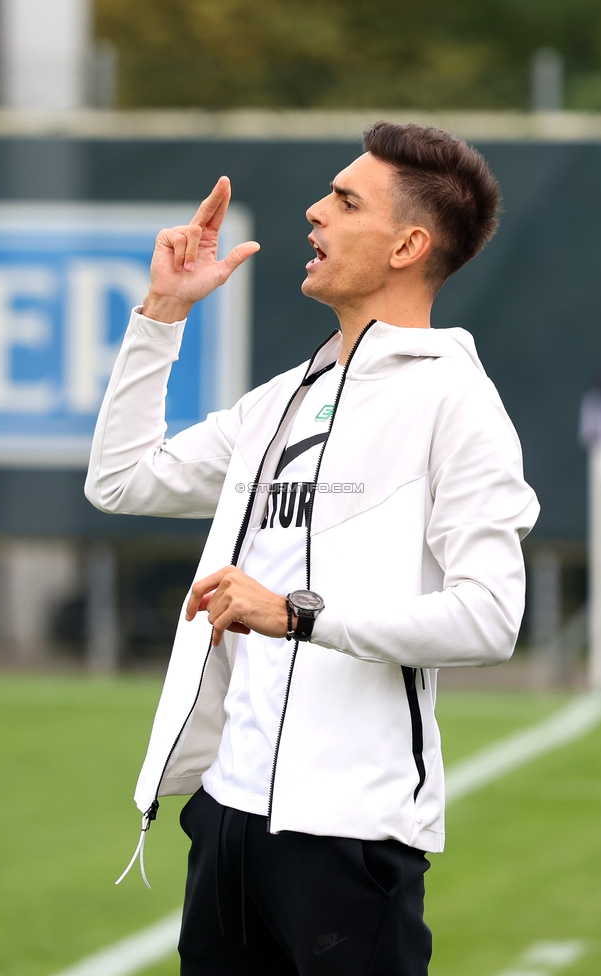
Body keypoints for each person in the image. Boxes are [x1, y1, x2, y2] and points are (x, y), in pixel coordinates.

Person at [85, 121, 539, 976]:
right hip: (226, 819)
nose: (313, 212)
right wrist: (164, 314)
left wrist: (293, 613)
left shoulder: (458, 402)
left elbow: (490, 619)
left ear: (409, 243)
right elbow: (122, 480)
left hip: (349, 839)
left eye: (344, 200)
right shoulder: (283, 400)